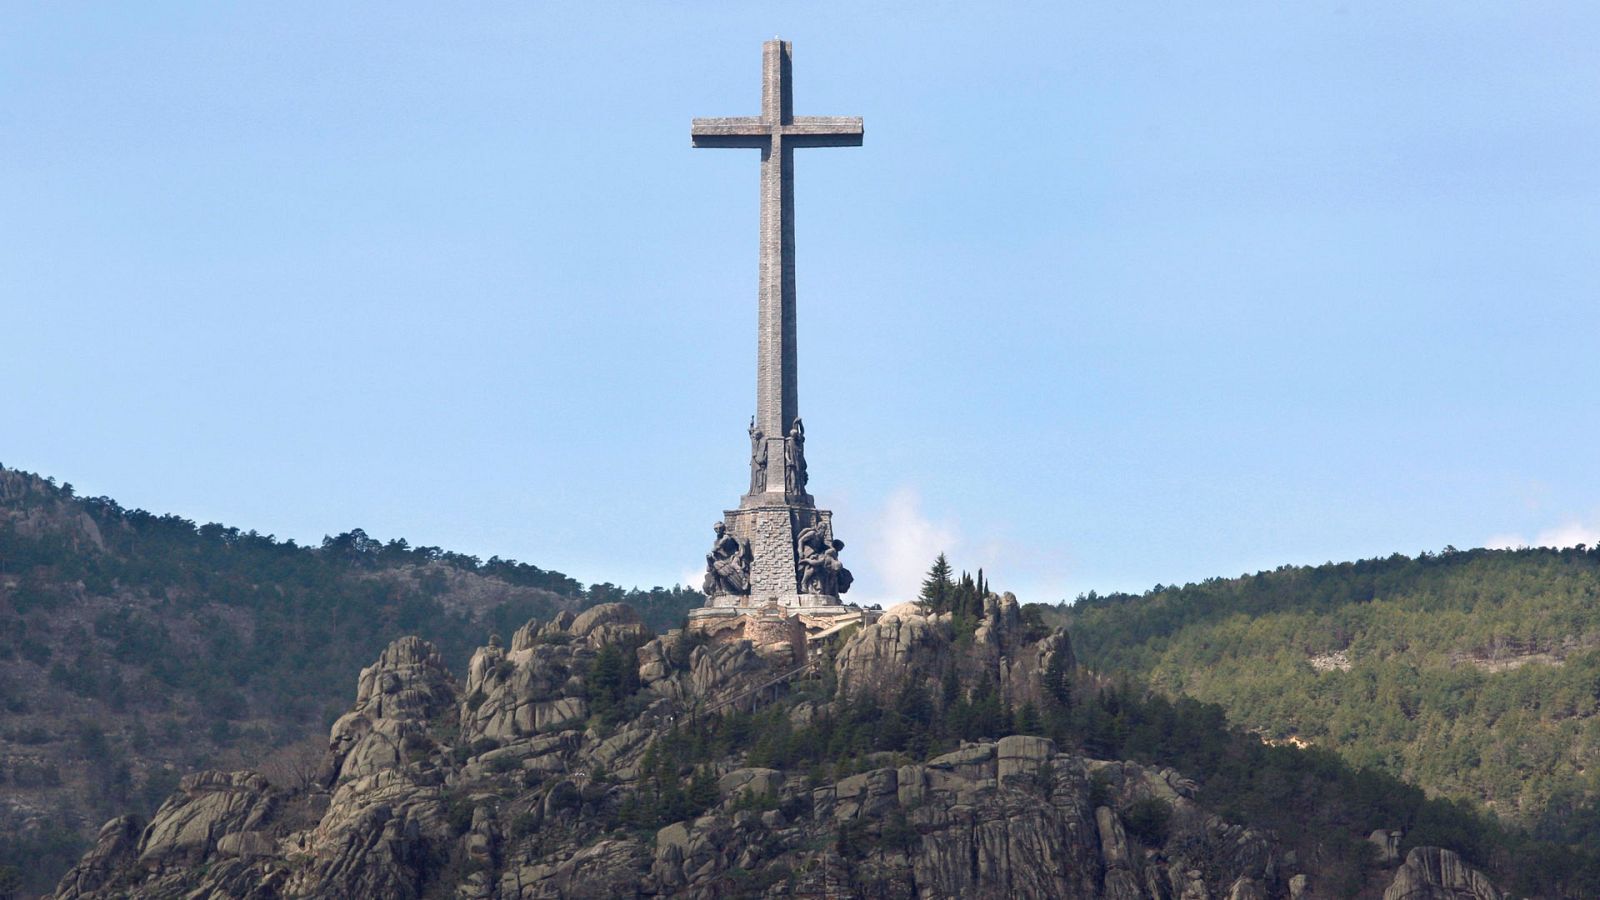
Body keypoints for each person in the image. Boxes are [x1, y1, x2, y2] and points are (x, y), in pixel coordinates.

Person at [703, 522, 751, 596]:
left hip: (734, 556)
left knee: (734, 565)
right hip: (723, 559)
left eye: (720, 528)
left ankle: (743, 580)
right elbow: (717, 552)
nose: (718, 530)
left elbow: (719, 546)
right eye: (716, 529)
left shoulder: (727, 537)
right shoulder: (717, 541)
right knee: (713, 567)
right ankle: (718, 588)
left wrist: (716, 548)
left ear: (723, 528)